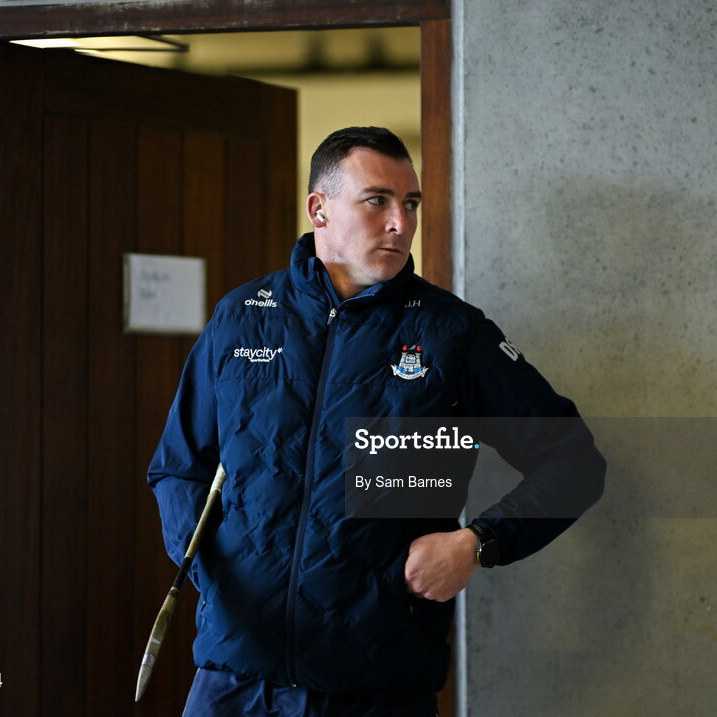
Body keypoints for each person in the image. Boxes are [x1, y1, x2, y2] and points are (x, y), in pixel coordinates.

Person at [148, 127, 606, 716]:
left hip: (376, 685)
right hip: (236, 679)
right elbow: (179, 468)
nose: (400, 222)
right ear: (319, 209)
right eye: (377, 201)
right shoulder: (241, 318)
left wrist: (478, 543)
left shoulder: (451, 334)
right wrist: (210, 567)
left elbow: (572, 462)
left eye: (410, 204)